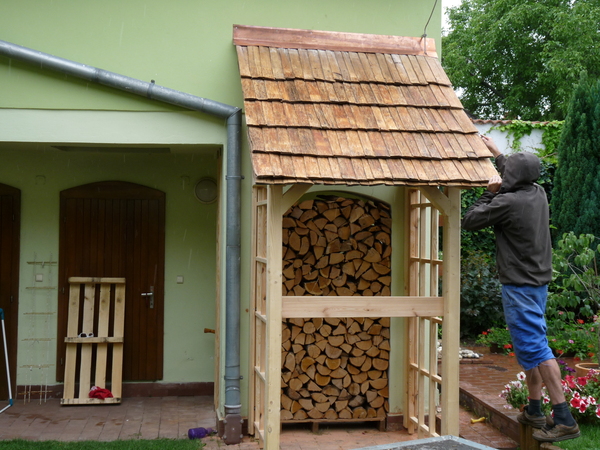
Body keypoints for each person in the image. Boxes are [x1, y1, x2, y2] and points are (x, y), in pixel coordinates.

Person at [462, 135, 580, 443]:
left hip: (519, 287)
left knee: (537, 349)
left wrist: (488, 194)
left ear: (513, 177)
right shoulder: (538, 192)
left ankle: (564, 418)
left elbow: (470, 220)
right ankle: (534, 410)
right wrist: (497, 153)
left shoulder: (507, 202)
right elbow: (516, 174)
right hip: (537, 283)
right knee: (530, 347)